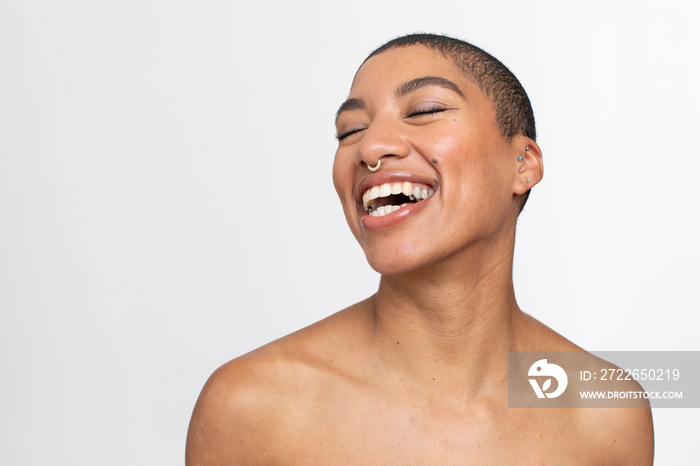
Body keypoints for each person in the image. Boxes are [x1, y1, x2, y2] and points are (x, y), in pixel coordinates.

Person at [186, 33, 654, 464]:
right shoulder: (254, 406)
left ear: (523, 164)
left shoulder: (606, 411)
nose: (370, 146)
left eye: (425, 109)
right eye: (350, 131)